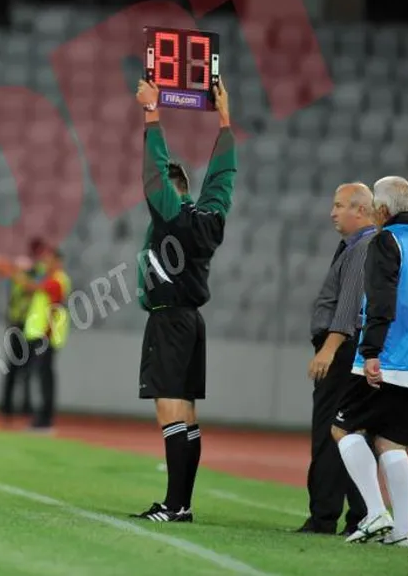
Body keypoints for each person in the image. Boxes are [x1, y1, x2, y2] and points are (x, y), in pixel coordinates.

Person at [129, 77, 237, 523]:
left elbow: (154, 172)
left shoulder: (170, 215)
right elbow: (222, 180)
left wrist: (151, 111)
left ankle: (175, 505)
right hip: (192, 323)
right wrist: (225, 122)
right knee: (188, 415)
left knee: (170, 411)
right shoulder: (210, 218)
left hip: (170, 321)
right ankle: (182, 504)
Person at [332, 176, 408, 546]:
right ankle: (404, 531)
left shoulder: (386, 241)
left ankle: (375, 513)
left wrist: (371, 352)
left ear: (383, 210)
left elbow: (381, 299)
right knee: (391, 443)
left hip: (386, 357)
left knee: (343, 429)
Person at [298, 183, 375, 536]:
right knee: (353, 432)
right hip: (352, 349)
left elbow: (348, 305)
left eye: (340, 205)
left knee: (330, 433)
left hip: (343, 351)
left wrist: (328, 349)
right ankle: (361, 516)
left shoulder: (362, 248)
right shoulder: (360, 246)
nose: (332, 212)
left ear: (361, 210)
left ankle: (324, 516)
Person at [0, 238, 48, 421]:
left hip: (30, 324)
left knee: (27, 367)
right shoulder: (24, 269)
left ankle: (23, 406)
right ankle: (8, 406)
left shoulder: (32, 270)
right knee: (14, 365)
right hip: (18, 323)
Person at [21, 245, 71, 431]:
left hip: (47, 336)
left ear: (57, 262)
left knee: (44, 377)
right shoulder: (49, 278)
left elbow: (53, 309)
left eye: (49, 259)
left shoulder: (57, 281)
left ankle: (44, 418)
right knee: (44, 376)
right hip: (43, 335)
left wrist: (47, 334)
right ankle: (43, 416)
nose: (45, 262)